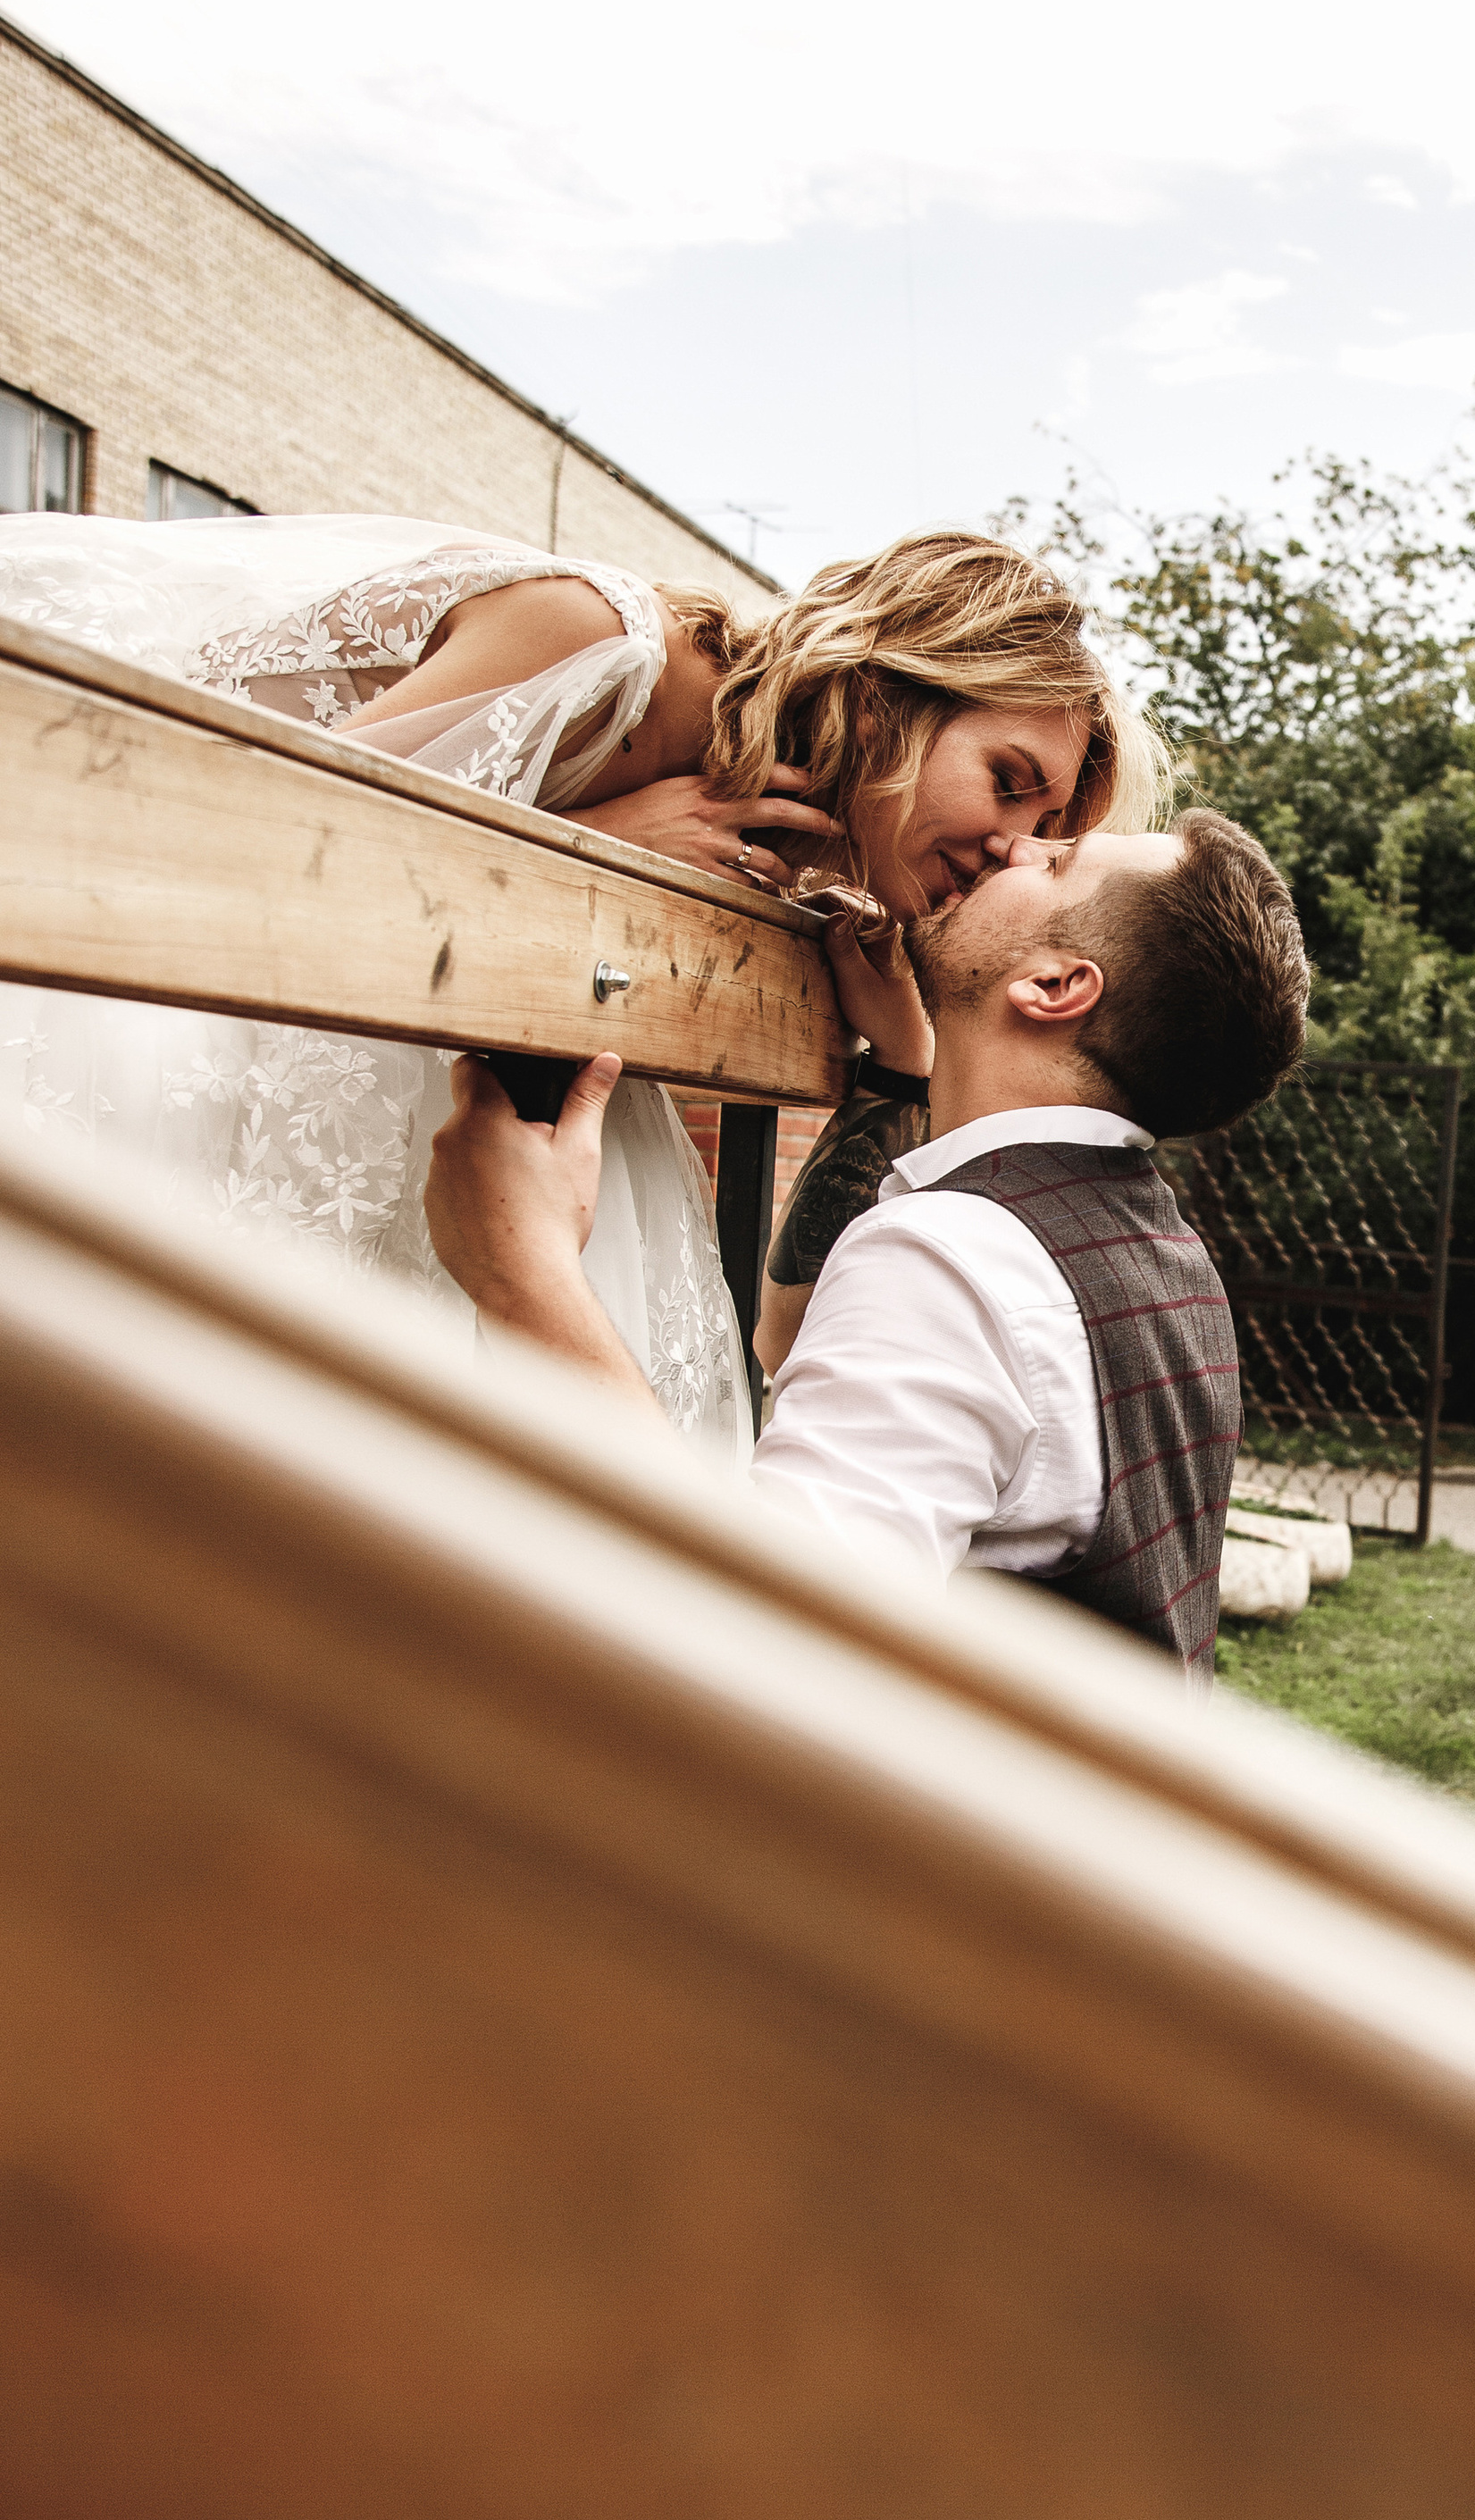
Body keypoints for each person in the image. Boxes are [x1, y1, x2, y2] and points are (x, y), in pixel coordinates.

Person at [0, 515, 1163, 1461]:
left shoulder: (791, 832)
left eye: (1046, 827)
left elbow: (798, 1314)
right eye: (1012, 784)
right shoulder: (601, 644)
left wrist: (899, 1057)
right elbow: (225, 824)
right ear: (895, 694)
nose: (1015, 846)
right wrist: (588, 840)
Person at [424, 808, 1312, 1675]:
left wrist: (524, 1269)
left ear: (1054, 986)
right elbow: (791, 1344)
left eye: (1054, 861)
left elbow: (770, 1634)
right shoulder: (1157, 1250)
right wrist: (899, 1064)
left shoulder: (956, 1259)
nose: (1015, 839)